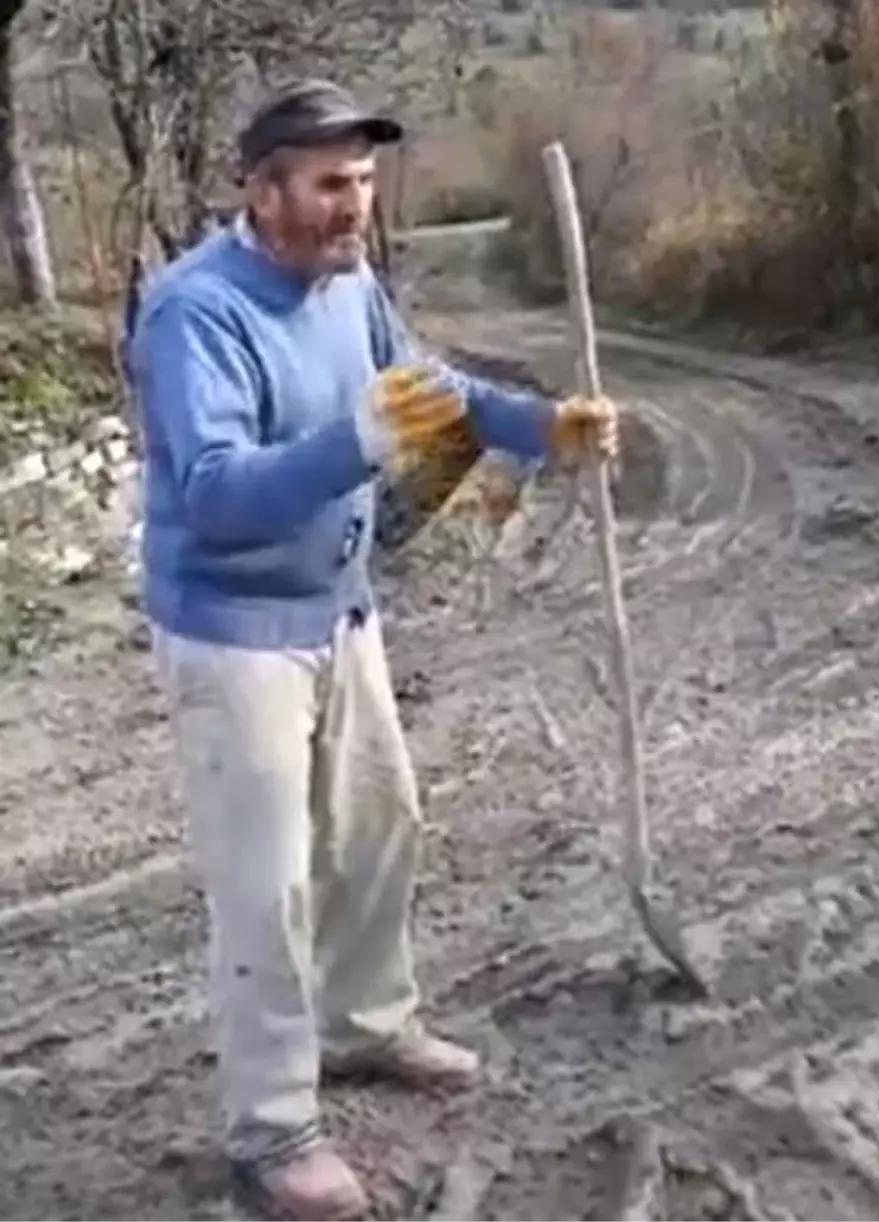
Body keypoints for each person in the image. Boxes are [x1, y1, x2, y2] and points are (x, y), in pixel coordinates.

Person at [128, 78, 618, 1221]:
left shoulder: (351, 287)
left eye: (364, 180)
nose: (357, 205)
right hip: (233, 631)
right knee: (266, 886)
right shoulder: (195, 313)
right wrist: (353, 441)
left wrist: (544, 429)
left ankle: (365, 1025)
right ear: (264, 190)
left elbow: (434, 397)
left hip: (337, 608)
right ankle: (271, 1133)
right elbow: (210, 497)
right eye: (332, 183)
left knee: (381, 820)